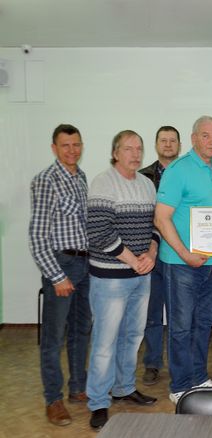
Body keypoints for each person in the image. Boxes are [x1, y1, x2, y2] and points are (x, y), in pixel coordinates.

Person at [154, 116, 212, 405]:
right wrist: (185, 254)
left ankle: (199, 377)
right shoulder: (178, 170)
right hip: (181, 264)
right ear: (193, 138)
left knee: (204, 324)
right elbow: (161, 219)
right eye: (206, 135)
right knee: (181, 326)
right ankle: (179, 385)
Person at [86, 130, 159, 430]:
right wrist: (134, 260)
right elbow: (99, 231)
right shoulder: (103, 183)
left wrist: (151, 254)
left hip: (141, 275)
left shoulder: (146, 184)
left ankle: (124, 388)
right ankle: (98, 402)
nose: (135, 153)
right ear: (115, 153)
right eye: (128, 148)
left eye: (139, 148)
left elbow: (155, 226)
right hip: (110, 277)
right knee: (105, 341)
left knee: (133, 335)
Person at [29, 124, 91, 426]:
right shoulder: (46, 180)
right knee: (54, 339)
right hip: (61, 265)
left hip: (85, 265)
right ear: (54, 148)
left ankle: (77, 387)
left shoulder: (81, 178)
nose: (72, 150)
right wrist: (56, 276)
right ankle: (53, 399)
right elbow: (37, 236)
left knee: (81, 330)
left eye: (76, 144)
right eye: (65, 145)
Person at [139, 126, 181, 386]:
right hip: (151, 253)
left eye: (172, 140)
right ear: (156, 145)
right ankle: (152, 363)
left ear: (179, 145)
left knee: (179, 314)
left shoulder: (186, 172)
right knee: (153, 313)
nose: (168, 144)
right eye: (163, 140)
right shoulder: (143, 177)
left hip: (178, 253)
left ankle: (179, 364)